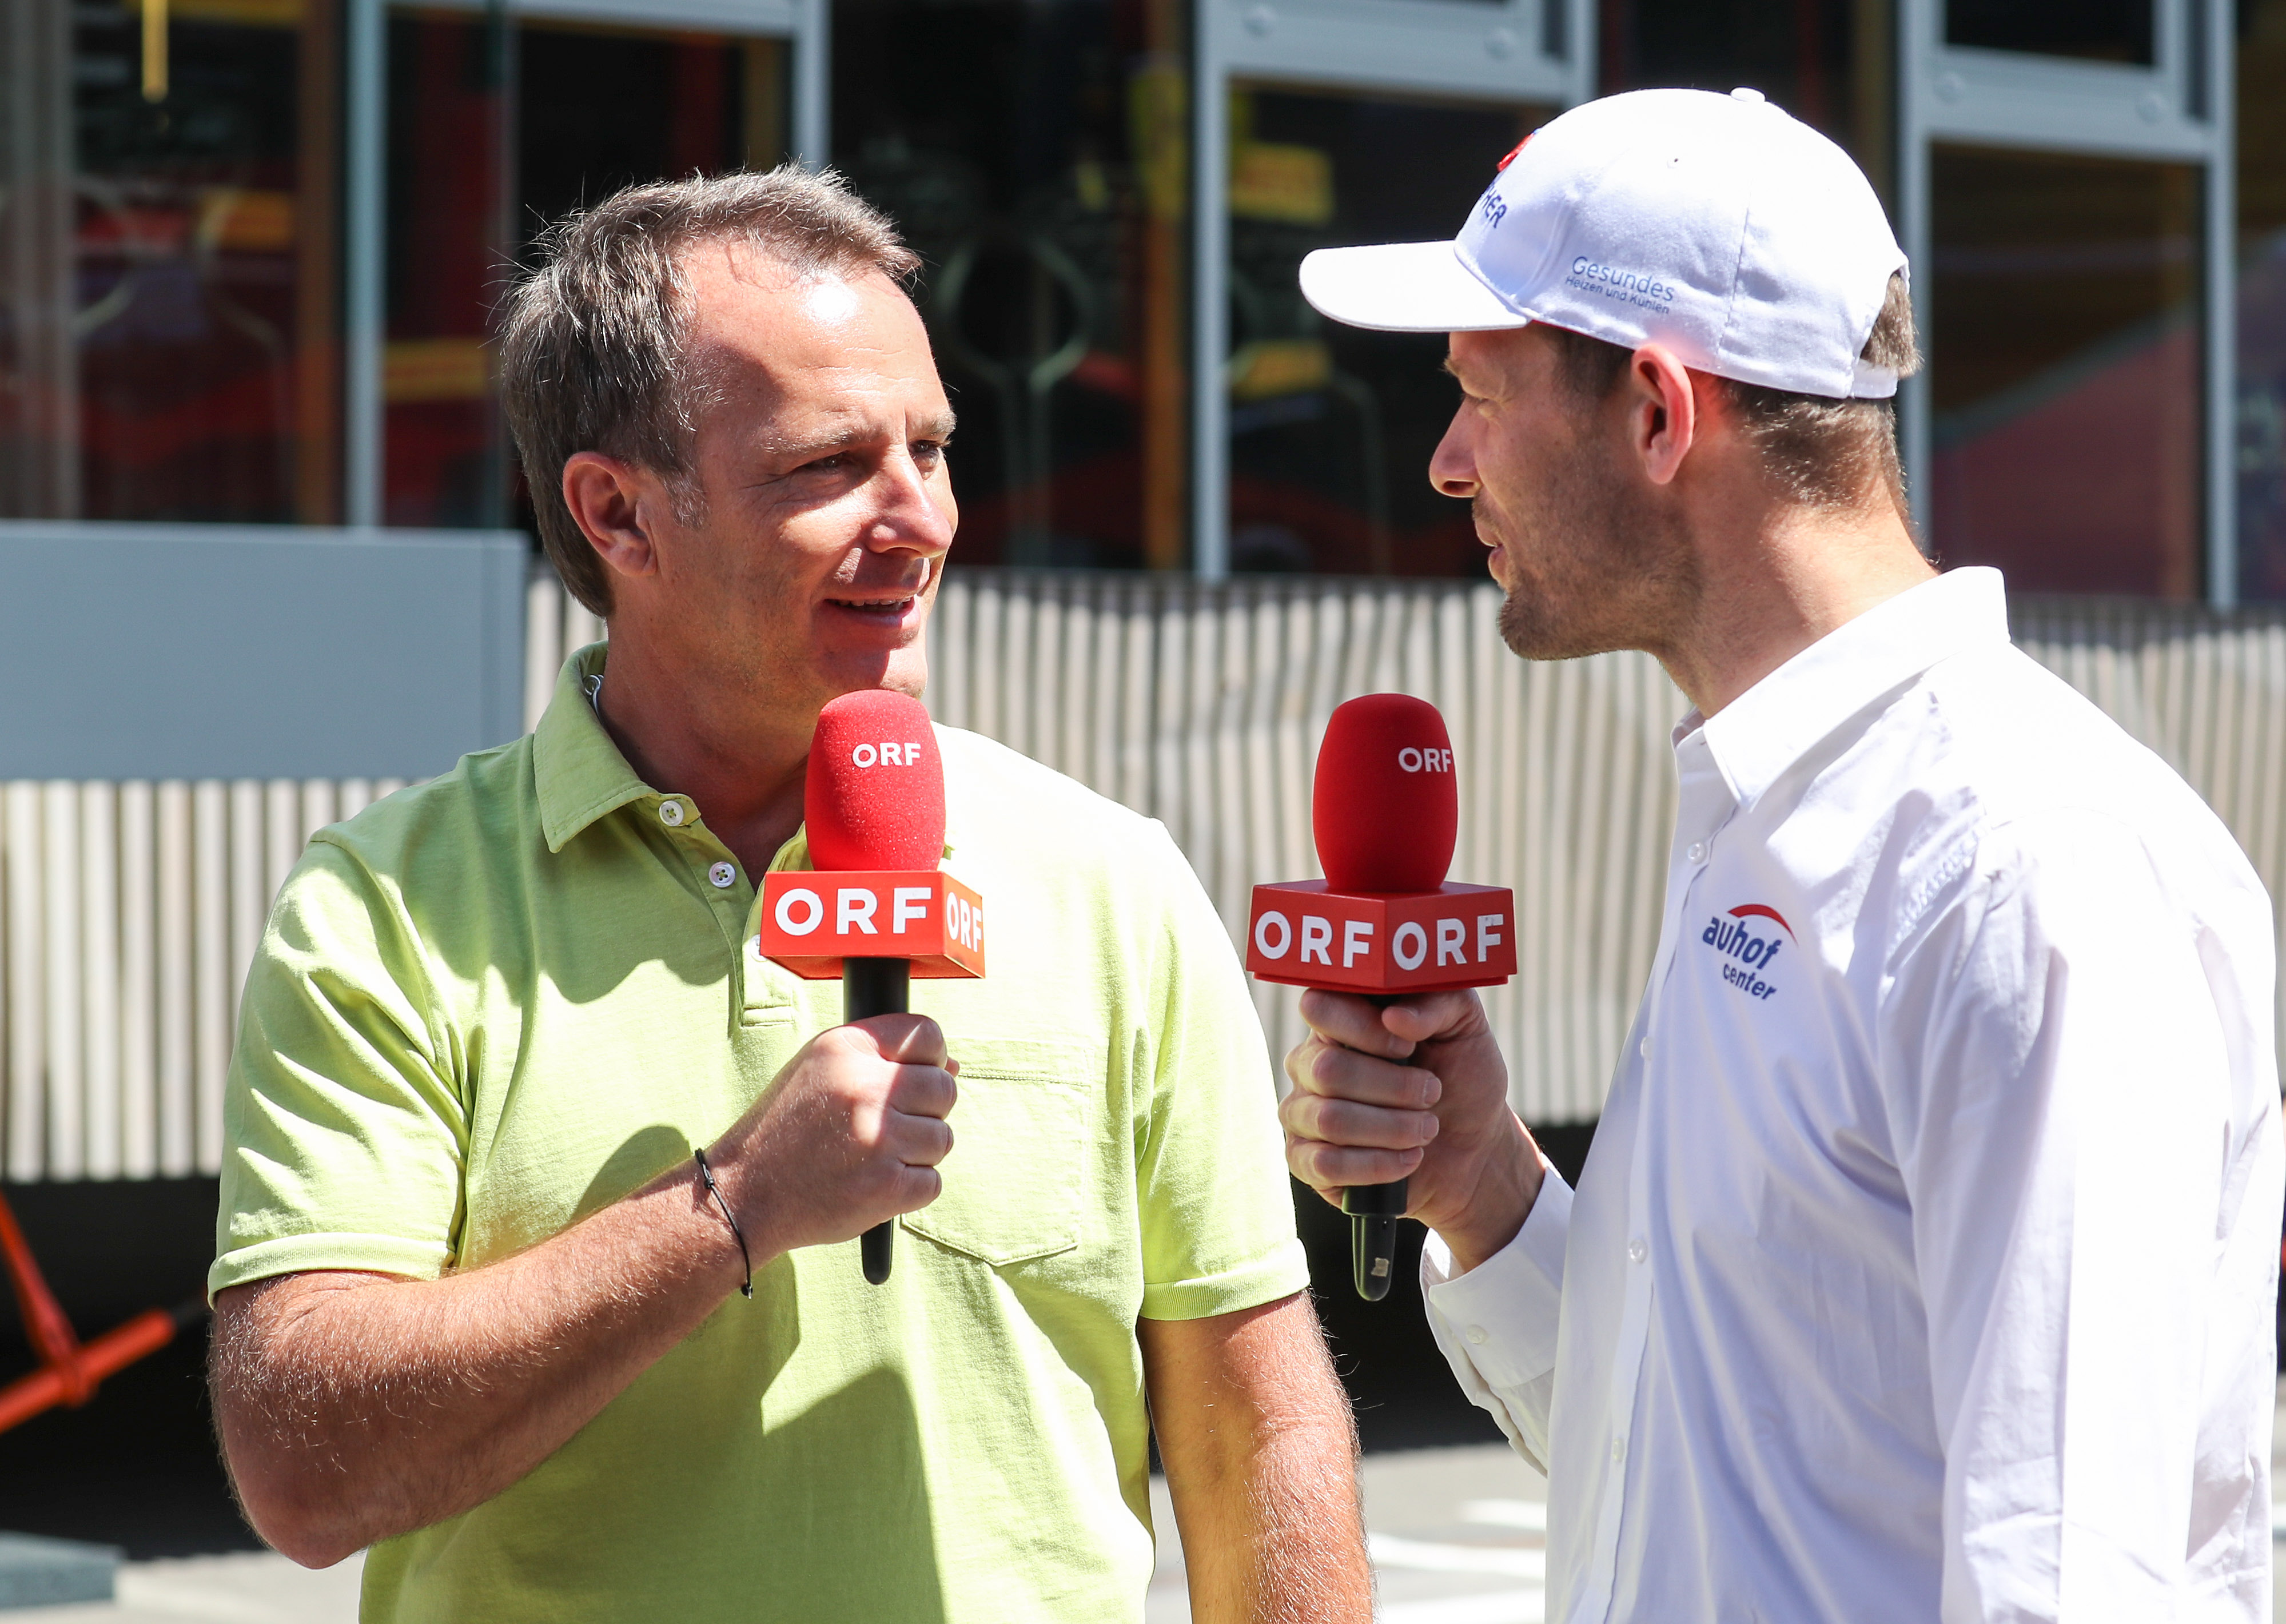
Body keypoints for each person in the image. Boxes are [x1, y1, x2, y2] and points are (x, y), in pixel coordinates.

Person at [206, 168, 1371, 1624]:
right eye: (829, 464)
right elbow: (303, 1472)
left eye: (932, 450)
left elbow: (1254, 1433)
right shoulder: (387, 908)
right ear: (618, 512)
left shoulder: (1108, 880)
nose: (918, 517)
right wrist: (734, 1205)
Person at [1281, 87, 2282, 1622]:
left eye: (1480, 396)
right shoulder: (1790, 813)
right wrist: (1481, 1186)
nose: (1442, 462)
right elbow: (1701, 1470)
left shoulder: (2018, 867)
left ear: (1658, 414)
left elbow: (2064, 1582)